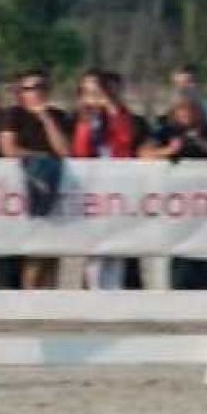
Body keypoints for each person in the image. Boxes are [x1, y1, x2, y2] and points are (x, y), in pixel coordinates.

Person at [142, 94, 207, 289]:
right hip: (177, 208)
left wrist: (201, 142)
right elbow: (144, 153)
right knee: (180, 257)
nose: (188, 113)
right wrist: (168, 151)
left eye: (193, 108)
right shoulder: (166, 131)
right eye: (183, 108)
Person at [71, 70, 147, 289]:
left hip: (123, 199)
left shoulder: (127, 119)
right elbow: (79, 152)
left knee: (126, 258)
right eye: (88, 92)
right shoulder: (80, 122)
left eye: (99, 92)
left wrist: (111, 107)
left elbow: (125, 141)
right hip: (91, 200)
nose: (94, 98)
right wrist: (86, 121)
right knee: (94, 261)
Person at [0, 69, 71, 289]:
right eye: (30, 88)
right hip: (23, 194)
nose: (36, 92)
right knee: (32, 258)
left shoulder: (58, 116)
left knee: (52, 255)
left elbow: (64, 150)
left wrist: (45, 117)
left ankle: (51, 309)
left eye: (41, 87)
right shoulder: (14, 114)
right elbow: (8, 148)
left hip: (54, 192)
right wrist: (36, 156)